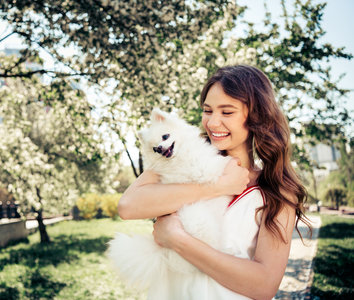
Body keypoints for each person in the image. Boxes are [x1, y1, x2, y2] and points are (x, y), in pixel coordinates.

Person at [117, 65, 311, 300]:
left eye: (227, 112)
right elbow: (128, 206)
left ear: (256, 116)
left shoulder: (276, 191)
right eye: (208, 110)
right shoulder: (178, 155)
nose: (212, 122)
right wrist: (218, 187)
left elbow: (264, 285)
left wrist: (178, 240)